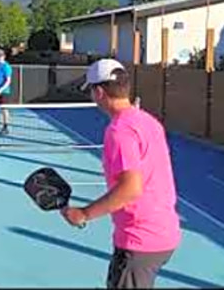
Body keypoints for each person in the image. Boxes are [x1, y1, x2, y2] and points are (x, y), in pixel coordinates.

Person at [61, 58, 181, 289]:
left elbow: (131, 188)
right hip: (165, 232)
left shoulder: (120, 131)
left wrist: (84, 213)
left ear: (98, 92)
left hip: (140, 241)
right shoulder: (148, 121)